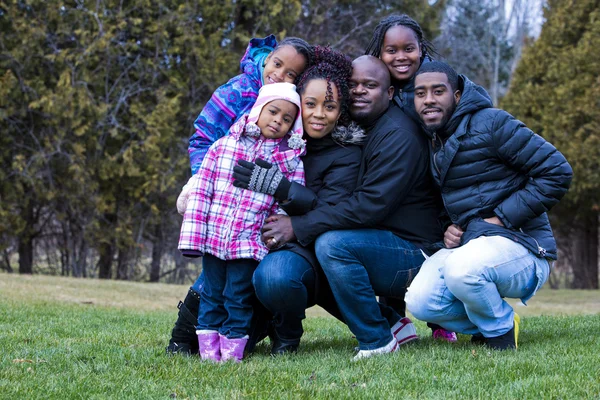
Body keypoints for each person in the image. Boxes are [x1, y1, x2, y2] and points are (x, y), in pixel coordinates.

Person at [260, 55, 445, 360]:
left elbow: (368, 206)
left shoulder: (398, 134)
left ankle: (377, 339)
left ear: (389, 92)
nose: (359, 91)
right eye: (354, 85)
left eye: (370, 85)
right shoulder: (364, 127)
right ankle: (390, 321)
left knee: (333, 245)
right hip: (380, 243)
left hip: (415, 253)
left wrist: (298, 225)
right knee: (313, 254)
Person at [405, 61, 573, 350]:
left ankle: (499, 333)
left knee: (461, 269)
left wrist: (503, 217)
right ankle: (494, 321)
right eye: (420, 93)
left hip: (525, 247)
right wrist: (449, 228)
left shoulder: (492, 123)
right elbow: (458, 199)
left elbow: (557, 171)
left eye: (438, 91)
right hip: (473, 246)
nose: (428, 99)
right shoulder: (434, 139)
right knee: (421, 302)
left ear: (457, 96)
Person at [166, 35, 312, 355]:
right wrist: (201, 179)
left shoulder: (292, 109)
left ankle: (260, 329)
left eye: (292, 75)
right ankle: (182, 335)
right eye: (277, 64)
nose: (280, 75)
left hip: (256, 206)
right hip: (217, 188)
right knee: (214, 272)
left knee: (241, 275)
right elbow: (204, 137)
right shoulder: (237, 90)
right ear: (267, 58)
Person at [232, 46, 364, 355]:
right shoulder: (272, 135)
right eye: (310, 104)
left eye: (329, 107)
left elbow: (333, 211)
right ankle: (185, 335)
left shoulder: (346, 153)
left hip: (308, 250)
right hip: (252, 239)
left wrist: (283, 189)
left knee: (276, 277)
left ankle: (287, 333)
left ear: (340, 110)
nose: (319, 114)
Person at [365, 14, 457, 343]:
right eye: (391, 50)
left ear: (421, 49)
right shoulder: (373, 83)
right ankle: (395, 320)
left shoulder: (434, 79)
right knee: (388, 238)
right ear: (379, 52)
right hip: (392, 179)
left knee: (433, 247)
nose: (400, 57)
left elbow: (463, 110)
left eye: (409, 49)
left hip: (433, 182)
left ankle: (441, 320)